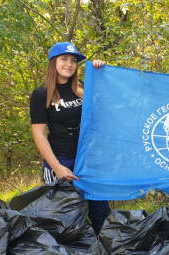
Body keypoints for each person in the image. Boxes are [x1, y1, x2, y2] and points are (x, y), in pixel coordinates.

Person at [30, 41, 110, 234]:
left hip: (86, 161)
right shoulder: (41, 94)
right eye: (63, 59)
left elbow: (105, 99)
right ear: (53, 62)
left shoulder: (80, 88)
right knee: (64, 220)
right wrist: (56, 167)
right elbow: (39, 134)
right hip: (61, 161)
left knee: (101, 213)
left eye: (73, 60)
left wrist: (99, 70)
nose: (69, 64)